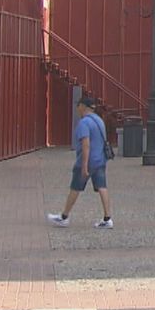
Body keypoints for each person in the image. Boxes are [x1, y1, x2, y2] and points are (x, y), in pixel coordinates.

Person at [47, 96, 113, 229]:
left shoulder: (84, 123)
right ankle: (107, 218)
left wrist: (83, 165)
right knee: (102, 187)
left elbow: (86, 144)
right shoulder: (99, 121)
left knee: (75, 187)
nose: (77, 108)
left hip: (87, 161)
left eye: (78, 106)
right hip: (100, 160)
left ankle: (64, 217)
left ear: (83, 106)